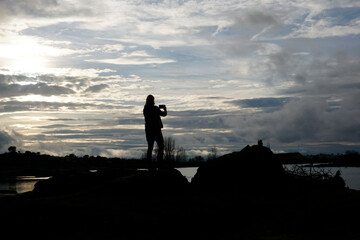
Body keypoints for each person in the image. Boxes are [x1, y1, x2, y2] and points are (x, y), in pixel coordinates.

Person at [143, 95, 167, 170]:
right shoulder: (155, 108)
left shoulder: (145, 109)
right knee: (161, 146)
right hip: (156, 130)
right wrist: (165, 109)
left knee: (150, 147)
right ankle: (159, 163)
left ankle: (149, 165)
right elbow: (164, 114)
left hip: (148, 130)